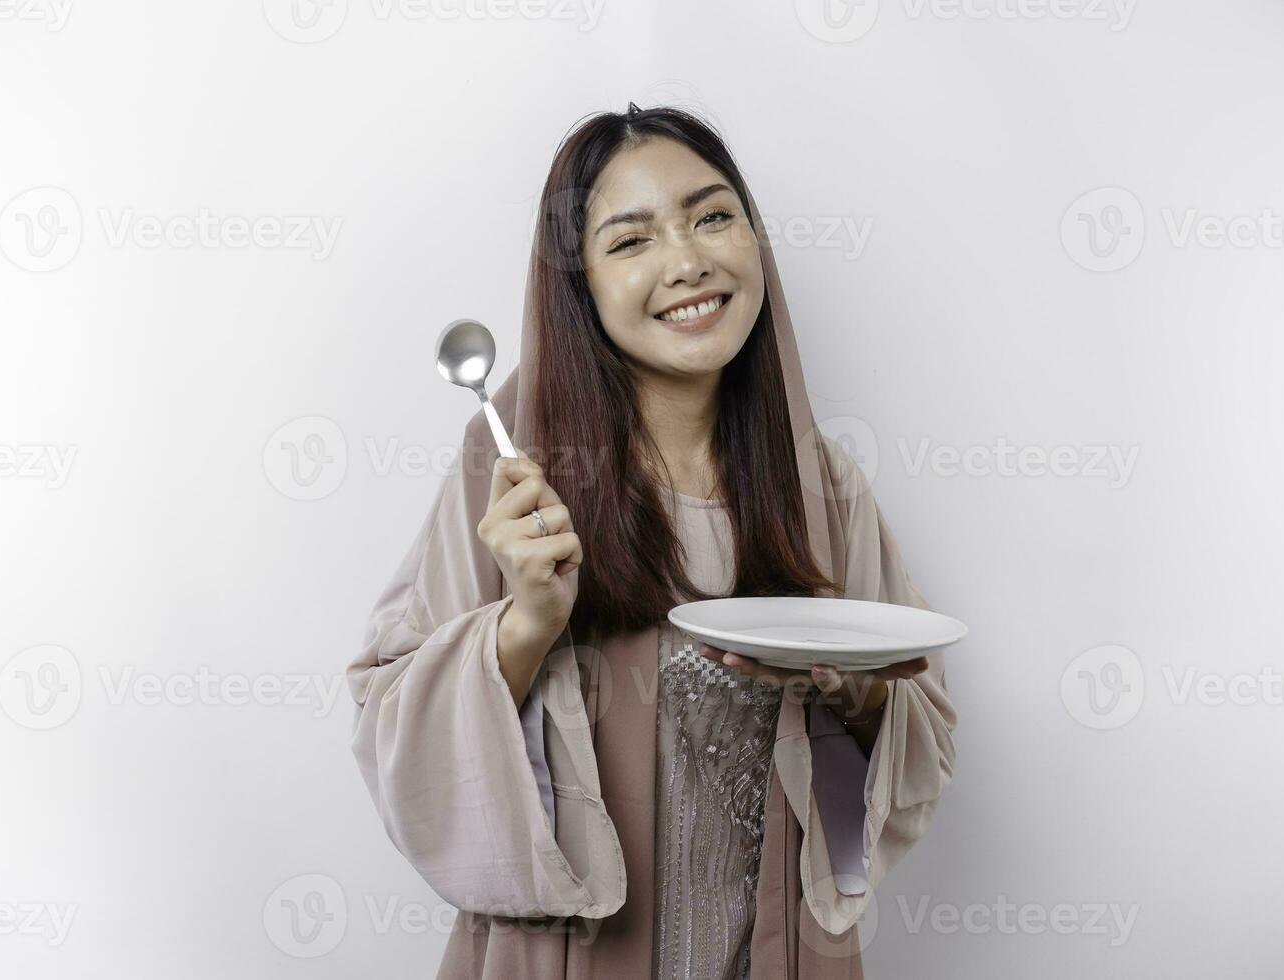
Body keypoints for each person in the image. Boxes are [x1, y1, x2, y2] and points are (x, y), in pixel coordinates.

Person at [346, 103, 958, 980]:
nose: (687, 262)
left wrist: (860, 694)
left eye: (713, 216)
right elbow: (392, 722)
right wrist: (524, 625)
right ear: (580, 284)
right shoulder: (518, 464)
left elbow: (919, 732)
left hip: (775, 950)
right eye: (631, 242)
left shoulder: (815, 483)